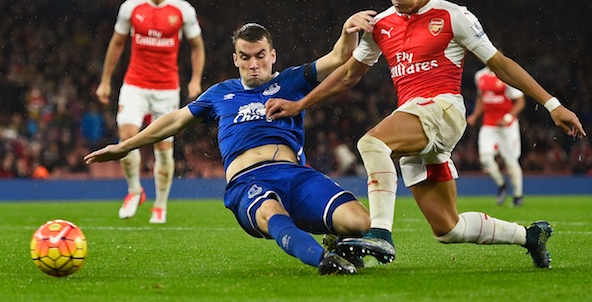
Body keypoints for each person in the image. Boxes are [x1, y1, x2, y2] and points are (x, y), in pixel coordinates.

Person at [265, 0, 586, 269]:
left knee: (372, 143)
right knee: (448, 228)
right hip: (416, 119)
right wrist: (300, 104)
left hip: (443, 109)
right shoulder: (381, 25)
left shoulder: (453, 16)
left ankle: (380, 233)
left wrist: (552, 104)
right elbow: (348, 74)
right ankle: (529, 236)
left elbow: (500, 64)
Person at [85, 15, 376, 275]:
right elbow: (174, 120)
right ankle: (322, 260)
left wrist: (348, 30)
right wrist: (126, 146)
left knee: (359, 221)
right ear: (235, 59)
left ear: (272, 55)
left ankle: (339, 240)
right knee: (270, 212)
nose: (253, 64)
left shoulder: (292, 80)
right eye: (245, 57)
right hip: (247, 181)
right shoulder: (220, 94)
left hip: (295, 175)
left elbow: (340, 56)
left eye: (260, 56)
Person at [95, 0, 205, 224]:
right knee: (127, 138)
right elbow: (117, 44)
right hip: (135, 84)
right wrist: (106, 80)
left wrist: (195, 81)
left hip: (167, 89)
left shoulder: (182, 10)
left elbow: (198, 47)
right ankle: (134, 191)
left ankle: (160, 205)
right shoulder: (131, 7)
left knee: (164, 148)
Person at [466, 66, 526, 206]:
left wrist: (507, 117)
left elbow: (520, 101)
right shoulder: (480, 75)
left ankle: (518, 196)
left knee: (510, 161)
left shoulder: (507, 74)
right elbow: (481, 97)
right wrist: (475, 115)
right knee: (485, 159)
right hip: (489, 124)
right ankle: (502, 184)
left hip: (508, 127)